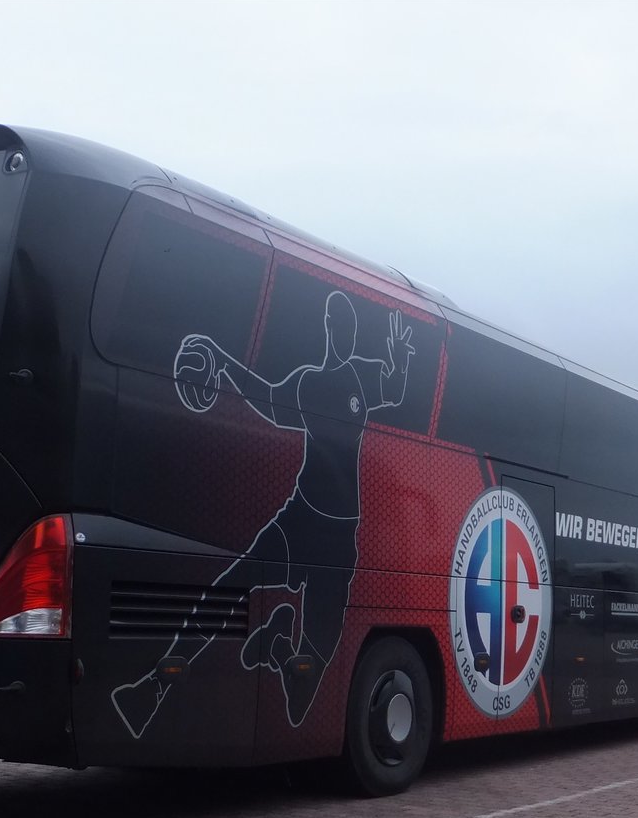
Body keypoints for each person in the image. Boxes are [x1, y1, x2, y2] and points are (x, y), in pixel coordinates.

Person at [112, 291, 415, 737]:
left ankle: (275, 645)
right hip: (299, 521)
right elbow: (267, 400)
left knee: (304, 692)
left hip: (338, 542)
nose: (349, 337)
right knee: (228, 588)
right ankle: (153, 687)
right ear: (331, 329)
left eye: (354, 330)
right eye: (343, 327)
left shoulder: (362, 377)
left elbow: (394, 390)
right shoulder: (308, 382)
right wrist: (222, 361)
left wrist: (401, 361)